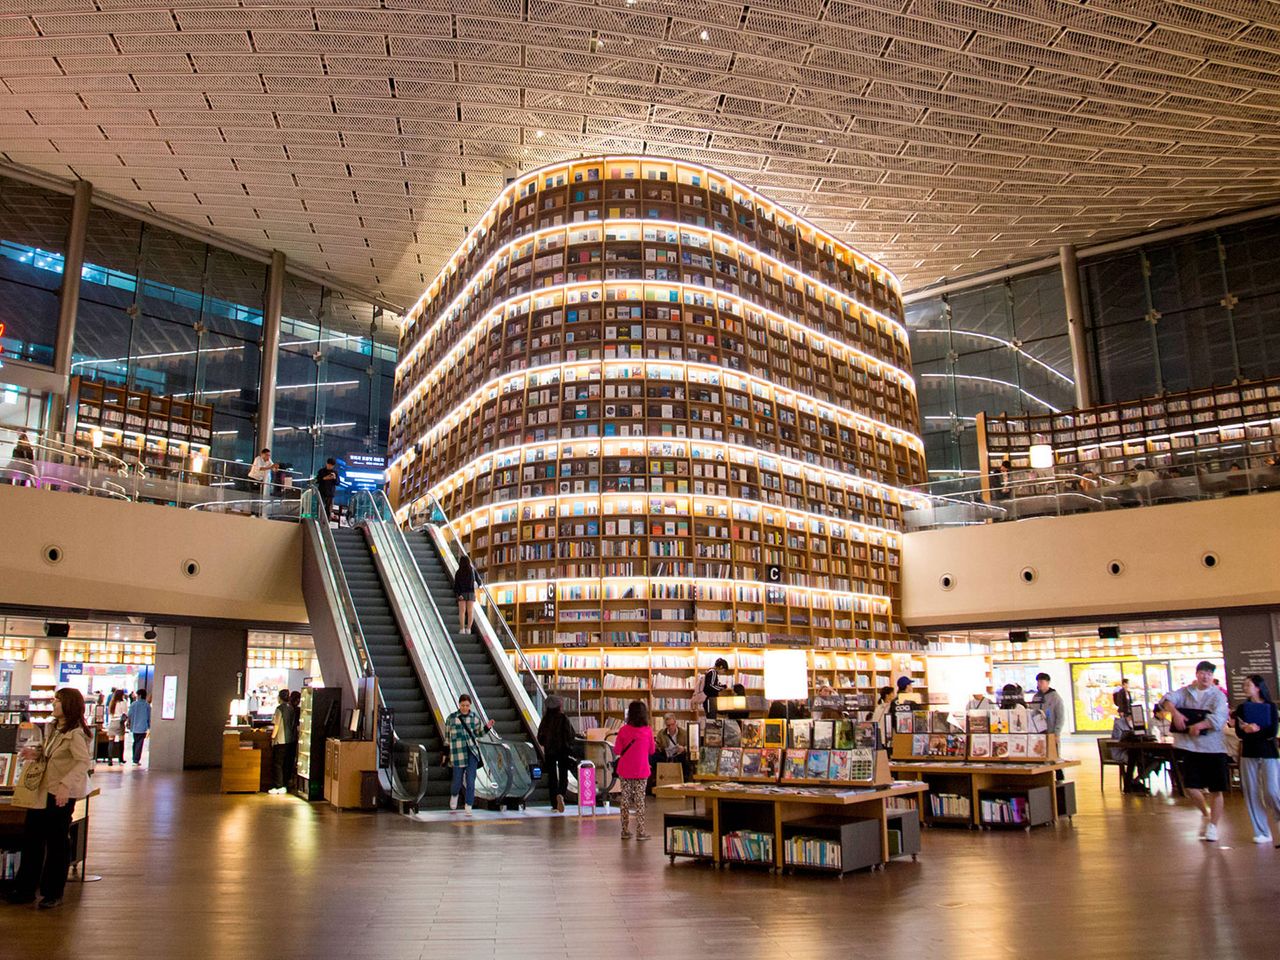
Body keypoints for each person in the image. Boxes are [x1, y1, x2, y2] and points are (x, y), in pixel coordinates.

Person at [5, 687, 93, 909]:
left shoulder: (75, 734)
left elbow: (82, 762)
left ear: (69, 706)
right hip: (42, 793)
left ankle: (53, 892)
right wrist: (36, 754)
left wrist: (65, 785)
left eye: (58, 701)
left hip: (59, 795)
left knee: (56, 843)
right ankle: (25, 888)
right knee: (32, 839)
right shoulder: (54, 729)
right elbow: (50, 754)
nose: (53, 704)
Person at [1159, 660, 1230, 841]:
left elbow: (1220, 717)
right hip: (1189, 747)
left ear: (1212, 677)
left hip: (1214, 749)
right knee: (1191, 787)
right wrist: (1175, 713)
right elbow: (1166, 699)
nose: (1205, 676)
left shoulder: (1218, 696)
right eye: (1202, 673)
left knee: (1216, 789)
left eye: (1209, 673)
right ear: (1196, 674)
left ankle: (1213, 825)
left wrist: (1201, 725)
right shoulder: (1185, 692)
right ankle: (1205, 813)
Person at [1233, 675, 1280, 845]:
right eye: (1244, 684)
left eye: (1248, 684)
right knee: (1251, 790)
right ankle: (1261, 831)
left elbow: (1272, 732)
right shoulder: (1242, 708)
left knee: (1272, 791)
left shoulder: (1271, 707)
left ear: (1257, 687)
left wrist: (1254, 730)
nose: (1245, 687)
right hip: (1249, 753)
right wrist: (1246, 730)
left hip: (1269, 752)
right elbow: (1239, 733)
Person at [613, 700, 655, 841]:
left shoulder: (623, 730)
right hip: (642, 770)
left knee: (625, 799)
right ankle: (641, 831)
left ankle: (624, 830)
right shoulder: (648, 730)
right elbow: (652, 750)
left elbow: (617, 750)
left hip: (625, 770)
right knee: (640, 800)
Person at [444, 694, 494, 813]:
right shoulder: (451, 719)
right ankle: (454, 795)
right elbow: (447, 738)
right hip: (457, 753)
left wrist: (487, 727)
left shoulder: (475, 718)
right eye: (463, 705)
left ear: (470, 705)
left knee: (471, 780)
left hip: (472, 752)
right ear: (459, 705)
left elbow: (479, 733)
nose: (465, 708)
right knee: (457, 780)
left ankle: (469, 804)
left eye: (467, 705)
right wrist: (445, 754)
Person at [536, 695, 575, 813]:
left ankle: (554, 804)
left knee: (552, 777)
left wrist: (546, 744)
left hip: (550, 752)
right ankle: (561, 794)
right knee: (563, 775)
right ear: (559, 706)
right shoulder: (564, 718)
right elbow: (571, 735)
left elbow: (540, 737)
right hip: (563, 751)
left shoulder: (545, 720)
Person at [1032, 673, 1067, 780]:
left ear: (1048, 683)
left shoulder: (1055, 697)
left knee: (1054, 755)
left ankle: (1059, 776)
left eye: (1042, 682)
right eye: (1038, 682)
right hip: (1038, 732)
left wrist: (1057, 732)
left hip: (1051, 731)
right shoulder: (1036, 697)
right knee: (1041, 754)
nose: (1039, 684)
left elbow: (1060, 716)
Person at [268, 691, 296, 795]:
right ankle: (284, 784)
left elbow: (276, 725)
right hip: (290, 740)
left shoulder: (279, 709)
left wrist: (272, 737)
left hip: (280, 740)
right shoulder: (291, 708)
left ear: (279, 697)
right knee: (286, 764)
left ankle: (278, 786)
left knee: (277, 764)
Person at [652, 713, 691, 784]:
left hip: (679, 755)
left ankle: (684, 781)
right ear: (666, 725)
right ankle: (657, 782)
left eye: (672, 724)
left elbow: (690, 746)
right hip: (665, 755)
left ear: (676, 723)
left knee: (685, 760)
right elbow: (658, 744)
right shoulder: (661, 733)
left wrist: (683, 748)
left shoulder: (684, 733)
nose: (670, 727)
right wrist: (656, 746)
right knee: (652, 757)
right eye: (668, 725)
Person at [453, 554, 477, 635]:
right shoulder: (473, 571)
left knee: (462, 612)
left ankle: (462, 629)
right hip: (471, 593)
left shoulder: (458, 572)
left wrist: (459, 594)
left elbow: (456, 585)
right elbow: (479, 582)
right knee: (470, 612)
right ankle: (469, 629)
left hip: (462, 594)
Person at [126, 688, 151, 765]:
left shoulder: (133, 704)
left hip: (134, 727)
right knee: (140, 743)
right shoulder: (147, 705)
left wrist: (128, 722)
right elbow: (149, 717)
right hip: (143, 727)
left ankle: (134, 758)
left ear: (139, 695)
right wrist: (149, 727)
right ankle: (136, 759)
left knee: (135, 742)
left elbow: (129, 715)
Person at [105, 689, 127, 766]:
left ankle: (109, 760)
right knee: (121, 741)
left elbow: (109, 713)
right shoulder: (123, 702)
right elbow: (125, 712)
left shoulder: (112, 702)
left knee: (111, 741)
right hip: (119, 722)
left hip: (112, 722)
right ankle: (120, 759)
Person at [871, 685, 896, 752]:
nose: (894, 695)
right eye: (893, 693)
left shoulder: (878, 707)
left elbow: (874, 721)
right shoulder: (891, 707)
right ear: (887, 695)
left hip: (878, 737)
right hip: (888, 737)